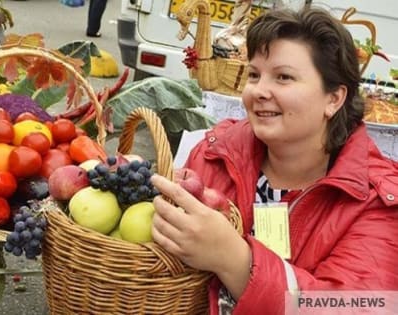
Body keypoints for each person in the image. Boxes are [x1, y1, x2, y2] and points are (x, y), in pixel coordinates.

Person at [150, 6, 398, 315]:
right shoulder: (216, 153)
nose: (259, 91)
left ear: (333, 98)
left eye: (283, 77)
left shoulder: (376, 200)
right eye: (254, 75)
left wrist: (235, 260)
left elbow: (361, 308)